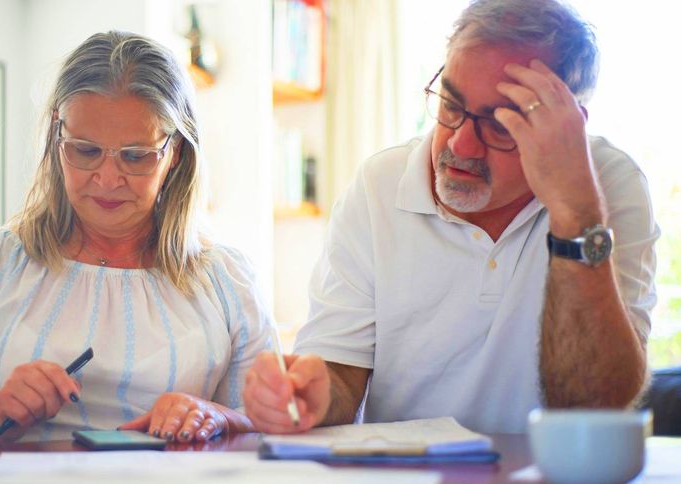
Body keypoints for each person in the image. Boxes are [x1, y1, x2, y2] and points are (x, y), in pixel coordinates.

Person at [243, 0, 658, 434]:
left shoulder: (609, 186)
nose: (460, 146)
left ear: (565, 127)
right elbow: (340, 375)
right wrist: (311, 396)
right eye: (450, 105)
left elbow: (592, 405)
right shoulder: (379, 185)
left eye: (500, 125)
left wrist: (575, 211)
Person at [0, 31, 273, 451]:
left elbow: (272, 434)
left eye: (135, 155)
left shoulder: (227, 280)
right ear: (57, 136)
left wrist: (218, 417)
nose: (107, 179)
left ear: (175, 151)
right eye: (85, 151)